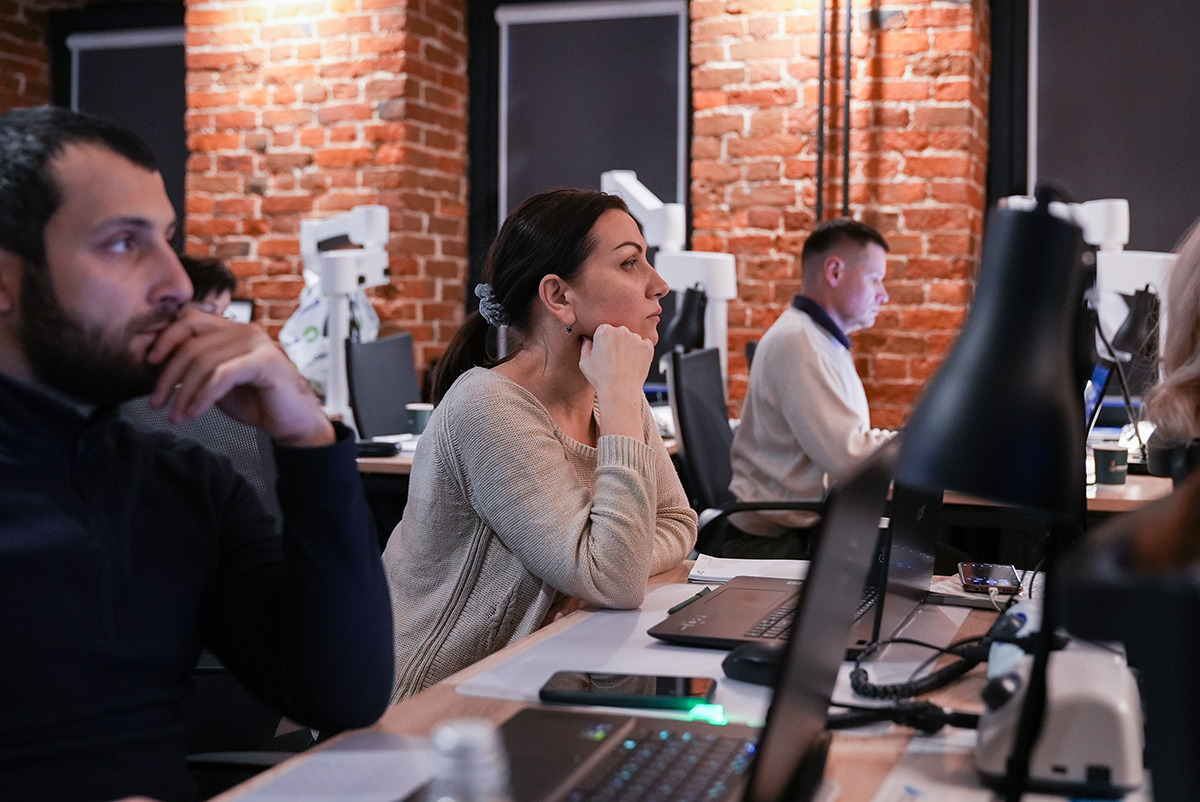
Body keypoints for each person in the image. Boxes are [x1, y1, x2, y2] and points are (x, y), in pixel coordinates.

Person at [0, 105, 393, 801]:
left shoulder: (184, 484)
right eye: (123, 243)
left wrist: (306, 437)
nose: (178, 284)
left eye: (167, 239)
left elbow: (342, 694)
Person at [382, 188, 697, 702]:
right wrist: (600, 574)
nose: (659, 285)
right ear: (559, 297)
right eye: (630, 263)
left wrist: (598, 574)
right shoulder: (489, 406)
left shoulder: (612, 391)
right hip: (435, 705)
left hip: (541, 677)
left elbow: (678, 522)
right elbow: (614, 579)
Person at [727, 217, 894, 557]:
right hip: (776, 544)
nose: (884, 295)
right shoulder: (801, 344)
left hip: (805, 531)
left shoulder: (820, 340)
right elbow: (851, 458)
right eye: (874, 279)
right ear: (834, 271)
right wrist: (925, 446)